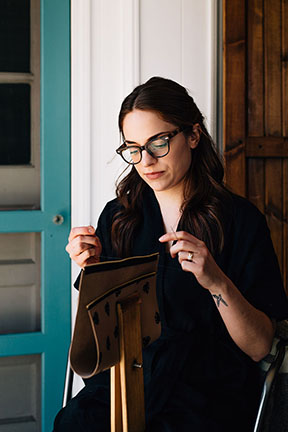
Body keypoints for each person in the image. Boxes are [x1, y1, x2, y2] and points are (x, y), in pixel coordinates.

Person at [53, 77, 288, 431]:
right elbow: (102, 341)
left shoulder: (240, 221)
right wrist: (94, 270)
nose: (145, 161)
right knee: (73, 421)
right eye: (132, 148)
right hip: (128, 382)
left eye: (158, 143)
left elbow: (259, 348)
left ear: (193, 135)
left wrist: (217, 282)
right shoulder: (118, 217)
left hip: (207, 392)